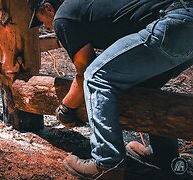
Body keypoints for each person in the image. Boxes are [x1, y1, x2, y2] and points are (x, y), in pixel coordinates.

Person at [28, 0, 193, 179]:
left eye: (42, 20)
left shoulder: (62, 17)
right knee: (144, 85)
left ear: (48, 8)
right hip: (183, 22)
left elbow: (85, 71)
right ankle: (164, 155)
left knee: (96, 77)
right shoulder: (85, 7)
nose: (46, 27)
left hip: (174, 23)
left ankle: (106, 163)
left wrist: (65, 109)